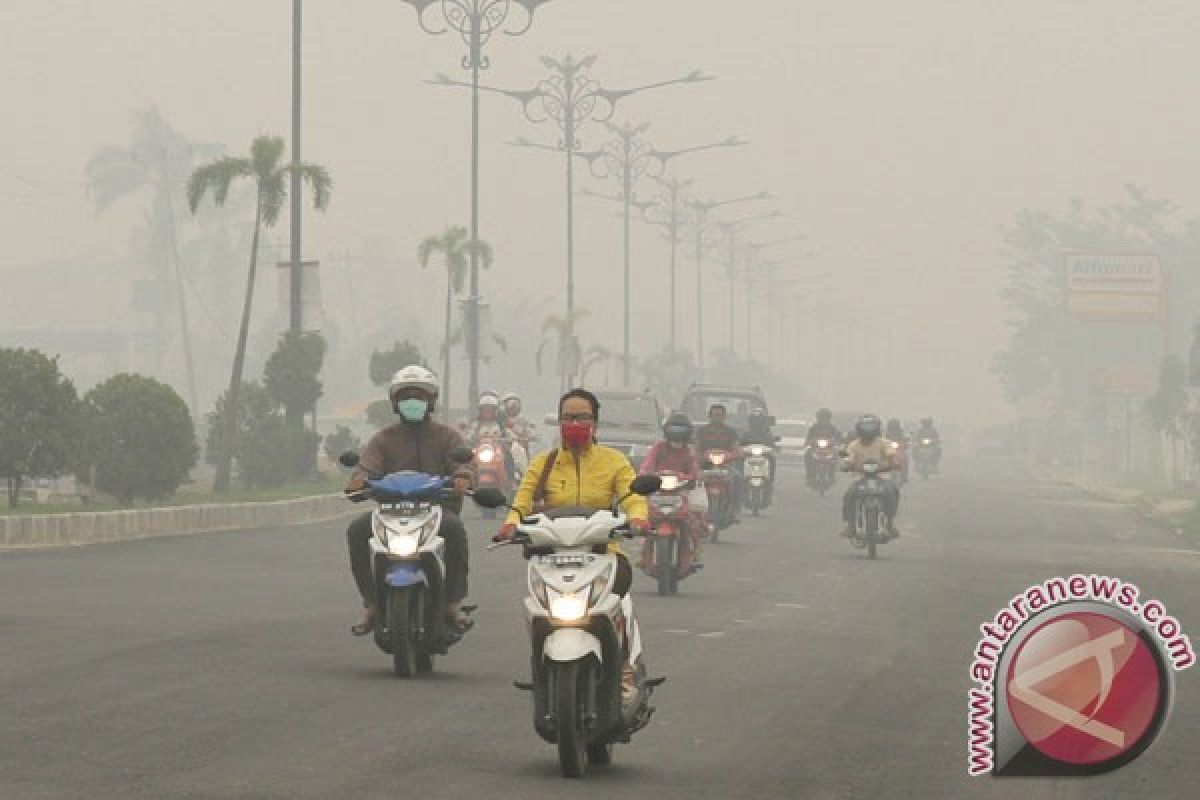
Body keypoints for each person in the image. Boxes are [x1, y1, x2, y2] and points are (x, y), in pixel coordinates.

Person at [496, 388, 651, 704]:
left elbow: (633, 497)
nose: (574, 423)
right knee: (538, 608)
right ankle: (542, 664)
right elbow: (522, 500)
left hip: (603, 556)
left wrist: (637, 518)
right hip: (552, 559)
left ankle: (624, 672)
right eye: (568, 417)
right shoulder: (544, 463)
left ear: (595, 422)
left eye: (582, 417)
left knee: (618, 599)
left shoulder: (614, 462)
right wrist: (511, 523)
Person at [344, 365, 474, 636]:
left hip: (435, 512)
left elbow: (462, 465)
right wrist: (358, 481)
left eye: (419, 395)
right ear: (395, 402)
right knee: (356, 530)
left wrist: (462, 477)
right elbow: (367, 467)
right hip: (391, 513)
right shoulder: (383, 439)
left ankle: (452, 601)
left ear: (431, 401)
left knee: (455, 530)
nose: (412, 401)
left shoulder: (448, 437)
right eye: (405, 396)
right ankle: (371, 602)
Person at [640, 412, 708, 567]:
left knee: (694, 518)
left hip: (682, 490)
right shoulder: (658, 447)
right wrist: (644, 475)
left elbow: (695, 468)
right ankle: (644, 551)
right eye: (674, 429)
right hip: (658, 490)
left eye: (681, 430)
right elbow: (647, 464)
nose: (677, 435)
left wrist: (692, 477)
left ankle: (695, 548)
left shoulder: (690, 451)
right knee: (645, 519)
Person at [840, 414, 901, 539]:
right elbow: (848, 459)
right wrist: (847, 465)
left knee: (892, 492)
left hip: (882, 476)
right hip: (860, 477)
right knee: (849, 494)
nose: (868, 430)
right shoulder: (853, 445)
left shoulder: (884, 443)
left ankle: (890, 524)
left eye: (871, 427)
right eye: (865, 427)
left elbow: (892, 457)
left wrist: (894, 463)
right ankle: (851, 526)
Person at [741, 407, 778, 503]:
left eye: (759, 420)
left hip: (764, 457)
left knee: (772, 460)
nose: (757, 422)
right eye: (755, 420)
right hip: (748, 457)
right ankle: (741, 481)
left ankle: (769, 480)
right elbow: (741, 445)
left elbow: (772, 446)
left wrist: (774, 448)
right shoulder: (746, 433)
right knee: (739, 462)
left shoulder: (767, 434)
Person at [804, 408, 842, 480]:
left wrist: (837, 442)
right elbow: (809, 437)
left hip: (829, 448)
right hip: (815, 448)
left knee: (835, 455)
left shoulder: (833, 428)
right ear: (818, 418)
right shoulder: (813, 428)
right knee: (807, 454)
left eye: (825, 417)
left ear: (829, 418)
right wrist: (809, 442)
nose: (823, 419)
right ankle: (809, 473)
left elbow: (838, 437)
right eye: (821, 417)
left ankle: (832, 473)